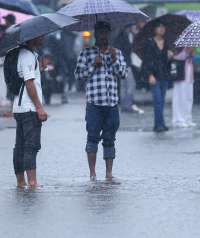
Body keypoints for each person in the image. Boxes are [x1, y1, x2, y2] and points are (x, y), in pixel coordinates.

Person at [74, 20, 129, 181]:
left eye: (107, 32)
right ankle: (92, 173)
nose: (104, 36)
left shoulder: (116, 53)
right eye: (101, 33)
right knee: (92, 138)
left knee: (110, 139)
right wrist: (93, 65)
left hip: (111, 103)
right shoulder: (86, 53)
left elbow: (124, 74)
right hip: (94, 104)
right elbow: (78, 75)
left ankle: (108, 173)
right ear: (95, 34)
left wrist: (114, 60)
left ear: (110, 34)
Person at [13, 34, 49, 188]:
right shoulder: (27, 55)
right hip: (29, 108)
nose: (43, 37)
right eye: (40, 35)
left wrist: (39, 69)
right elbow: (29, 83)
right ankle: (32, 182)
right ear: (31, 37)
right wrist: (39, 107)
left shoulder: (25, 54)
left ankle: (21, 181)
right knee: (31, 145)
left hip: (20, 107)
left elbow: (26, 77)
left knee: (20, 146)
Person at [142, 22, 174, 132]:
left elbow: (166, 63)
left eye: (163, 26)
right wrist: (150, 75)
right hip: (153, 76)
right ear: (154, 29)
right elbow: (146, 61)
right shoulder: (150, 42)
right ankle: (160, 124)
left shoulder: (167, 43)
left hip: (164, 75)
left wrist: (169, 57)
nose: (162, 29)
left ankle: (159, 124)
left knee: (161, 100)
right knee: (158, 100)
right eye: (159, 27)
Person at [111, 25, 144, 114]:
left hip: (122, 63)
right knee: (131, 84)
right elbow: (128, 49)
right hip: (125, 63)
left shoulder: (119, 35)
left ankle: (124, 105)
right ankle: (128, 104)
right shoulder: (123, 36)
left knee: (124, 85)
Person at [171, 46, 195, 127]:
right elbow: (176, 57)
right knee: (179, 97)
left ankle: (187, 118)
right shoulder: (177, 45)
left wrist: (191, 54)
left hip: (188, 73)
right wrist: (186, 51)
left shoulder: (188, 43)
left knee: (188, 97)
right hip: (180, 73)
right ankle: (178, 120)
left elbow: (189, 59)